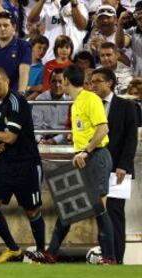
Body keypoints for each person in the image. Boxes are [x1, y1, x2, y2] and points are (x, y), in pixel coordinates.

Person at [27, 64, 117, 264]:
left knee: (99, 209)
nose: (60, 83)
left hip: (97, 157)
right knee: (68, 206)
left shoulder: (90, 99)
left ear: (67, 80)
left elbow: (103, 129)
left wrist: (86, 151)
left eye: (62, 79)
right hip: (83, 158)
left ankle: (110, 257)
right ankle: (51, 253)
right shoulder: (76, 103)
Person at [0, 67, 45, 264]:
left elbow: (11, 137)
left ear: (7, 82)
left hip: (26, 163)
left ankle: (41, 252)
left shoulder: (17, 101)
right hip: (4, 162)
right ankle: (14, 249)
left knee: (32, 210)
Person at [91, 67, 138, 264]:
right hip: (95, 168)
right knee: (100, 213)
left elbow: (131, 139)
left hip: (118, 170)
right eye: (92, 82)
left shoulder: (126, 106)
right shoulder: (91, 106)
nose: (93, 85)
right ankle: (105, 255)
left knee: (115, 213)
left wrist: (123, 166)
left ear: (109, 83)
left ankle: (116, 257)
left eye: (97, 81)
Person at [33, 68, 71, 144]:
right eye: (54, 81)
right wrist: (40, 140)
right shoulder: (40, 99)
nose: (57, 85)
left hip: (64, 139)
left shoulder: (71, 99)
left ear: (66, 83)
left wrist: (54, 140)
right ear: (49, 83)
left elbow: (70, 128)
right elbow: (36, 126)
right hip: (44, 137)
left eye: (60, 81)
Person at [116, 1, 142, 76]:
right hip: (139, 80)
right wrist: (120, 23)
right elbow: (120, 45)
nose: (140, 18)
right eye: (138, 15)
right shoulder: (132, 32)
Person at [26, 34, 49, 100]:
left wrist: (24, 103)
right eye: (39, 47)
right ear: (32, 47)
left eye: (44, 49)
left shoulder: (43, 69)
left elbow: (40, 90)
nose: (42, 51)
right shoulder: (20, 64)